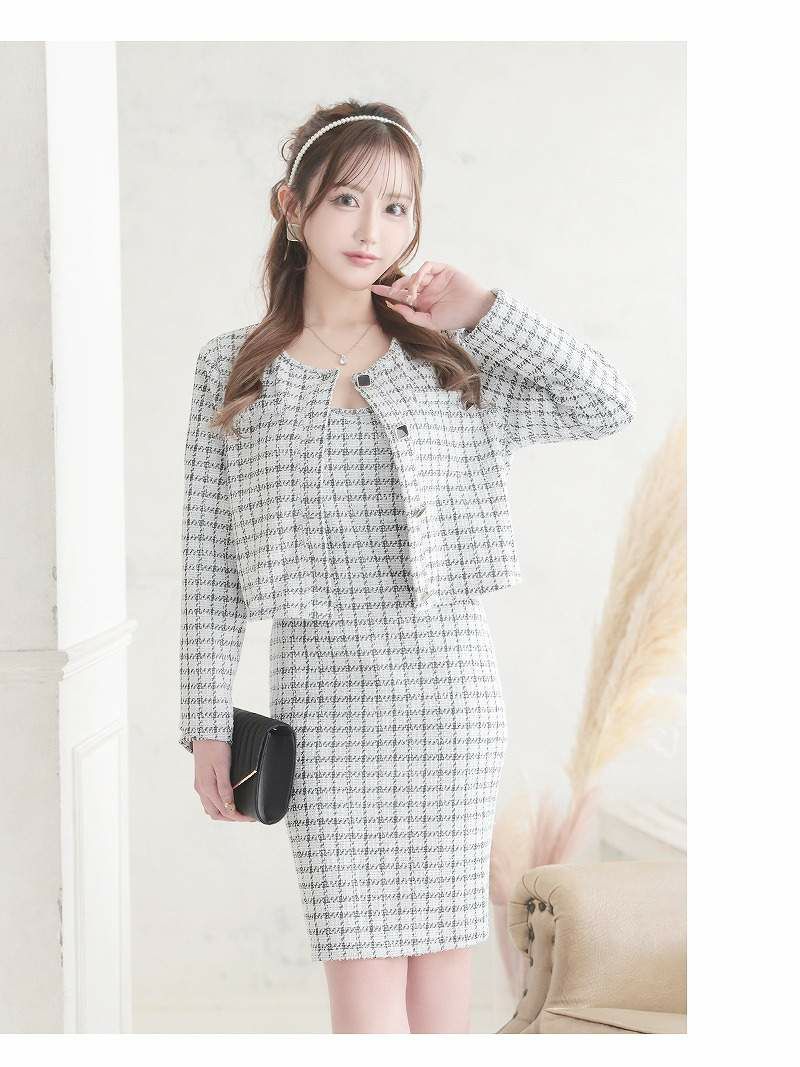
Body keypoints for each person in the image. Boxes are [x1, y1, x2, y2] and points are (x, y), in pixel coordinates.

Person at [178, 99, 636, 1034]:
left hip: (447, 698)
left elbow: (607, 402)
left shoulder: (450, 365)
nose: (371, 230)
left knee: (442, 970)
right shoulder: (234, 370)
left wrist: (484, 311)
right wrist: (204, 723)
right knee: (360, 974)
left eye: (396, 208)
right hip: (324, 705)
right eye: (347, 199)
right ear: (292, 206)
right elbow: (207, 562)